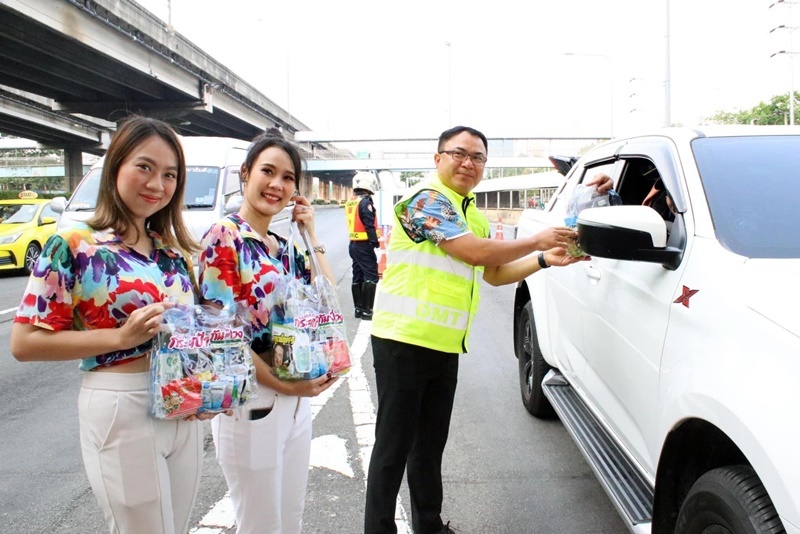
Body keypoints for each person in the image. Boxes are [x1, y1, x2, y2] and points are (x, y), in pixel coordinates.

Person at [364, 125, 588, 534]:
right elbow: (472, 252)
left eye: (478, 157)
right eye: (459, 153)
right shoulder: (425, 201)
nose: (468, 163)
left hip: (443, 345)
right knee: (393, 449)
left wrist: (545, 260)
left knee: (429, 448)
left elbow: (495, 274)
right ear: (438, 159)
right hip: (402, 341)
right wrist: (538, 241)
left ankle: (429, 526)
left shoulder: (474, 216)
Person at [10, 115, 207, 534]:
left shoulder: (173, 252)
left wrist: (200, 384)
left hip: (179, 403)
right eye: (145, 167)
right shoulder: (74, 245)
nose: (157, 183)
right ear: (116, 166)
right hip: (120, 402)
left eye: (170, 174)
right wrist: (120, 337)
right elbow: (25, 342)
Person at [198, 130, 338, 534]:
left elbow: (327, 302)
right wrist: (282, 384)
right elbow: (220, 335)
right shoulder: (224, 237)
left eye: (288, 177)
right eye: (268, 171)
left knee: (289, 520)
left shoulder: (282, 245)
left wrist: (311, 234)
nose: (277, 184)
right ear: (246, 173)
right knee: (260, 525)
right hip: (253, 398)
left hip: (294, 400)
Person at [345, 171, 381, 320]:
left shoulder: (351, 201)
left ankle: (358, 309)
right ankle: (367, 311)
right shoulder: (365, 202)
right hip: (364, 245)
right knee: (371, 277)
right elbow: (368, 224)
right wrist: (375, 241)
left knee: (358, 276)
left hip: (353, 245)